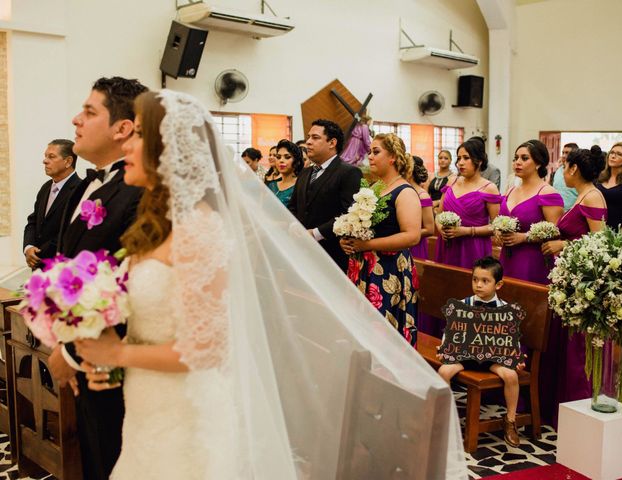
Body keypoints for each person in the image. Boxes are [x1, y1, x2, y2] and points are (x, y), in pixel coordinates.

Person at [70, 90, 468, 479]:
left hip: (186, 408)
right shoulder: (158, 224)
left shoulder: (201, 230)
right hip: (150, 402)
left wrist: (118, 353)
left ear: (167, 148)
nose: (127, 143)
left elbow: (206, 346)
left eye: (138, 134)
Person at [47, 77, 147, 480]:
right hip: (90, 358)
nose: (76, 120)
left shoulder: (138, 192)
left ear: (122, 129)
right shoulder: (87, 188)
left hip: (117, 371)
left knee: (115, 461)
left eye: (89, 112)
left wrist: (72, 354)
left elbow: (135, 290)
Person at [540, 146, 607, 425]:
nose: (561, 171)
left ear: (574, 169)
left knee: (576, 349)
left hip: (580, 284)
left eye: (565, 166)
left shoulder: (592, 197)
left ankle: (575, 406)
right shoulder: (583, 194)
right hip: (567, 279)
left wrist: (562, 243)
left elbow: (600, 242)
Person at [340, 133, 422, 346]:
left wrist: (367, 245)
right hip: (364, 266)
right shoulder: (375, 189)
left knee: (384, 336)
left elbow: (412, 236)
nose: (370, 157)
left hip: (389, 270)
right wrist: (349, 239)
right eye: (370, 152)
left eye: (376, 152)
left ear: (393, 157)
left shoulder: (404, 192)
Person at [437, 256, 525, 447]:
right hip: (466, 355)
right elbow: (451, 330)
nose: (478, 285)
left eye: (485, 281)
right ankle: (444, 418)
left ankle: (510, 420)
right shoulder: (463, 304)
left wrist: (515, 356)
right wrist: (445, 348)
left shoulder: (505, 310)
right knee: (444, 371)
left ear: (498, 284)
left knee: (511, 376)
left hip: (492, 358)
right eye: (475, 279)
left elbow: (511, 338)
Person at [288, 119, 362, 272]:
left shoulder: (348, 172)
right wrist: (293, 225)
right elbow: (294, 206)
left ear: (332, 142)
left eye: (315, 138)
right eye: (308, 137)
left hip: (331, 252)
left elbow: (348, 213)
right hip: (301, 250)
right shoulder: (305, 172)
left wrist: (316, 233)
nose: (308, 142)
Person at [496, 140, 563, 284]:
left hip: (533, 259)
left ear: (538, 163)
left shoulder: (548, 193)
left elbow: (556, 232)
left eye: (524, 158)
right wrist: (498, 232)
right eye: (516, 158)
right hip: (507, 257)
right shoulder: (511, 191)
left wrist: (524, 237)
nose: (517, 162)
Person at [435, 139, 501, 269]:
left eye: (466, 158)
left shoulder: (489, 188)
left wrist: (466, 231)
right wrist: (440, 228)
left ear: (479, 160)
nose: (461, 163)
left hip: (473, 246)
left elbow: (496, 226)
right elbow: (439, 214)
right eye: (459, 158)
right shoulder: (451, 182)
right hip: (447, 244)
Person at [23, 139, 81, 269]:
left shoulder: (80, 190)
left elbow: (69, 232)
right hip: (39, 266)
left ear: (68, 162)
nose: (45, 161)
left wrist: (39, 255)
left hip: (62, 267)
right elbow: (33, 221)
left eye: (51, 157)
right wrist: (29, 247)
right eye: (45, 156)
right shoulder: (46, 187)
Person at [408, 155, 435, 260]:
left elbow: (429, 229)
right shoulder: (402, 192)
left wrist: (406, 235)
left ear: (410, 171)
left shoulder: (422, 195)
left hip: (415, 245)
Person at [266, 139, 304, 206]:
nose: (281, 160)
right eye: (278, 157)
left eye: (287, 157)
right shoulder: (271, 185)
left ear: (297, 162)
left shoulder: (301, 186)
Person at [551, 142, 579, 211]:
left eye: (567, 153)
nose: (563, 155)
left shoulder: (579, 172)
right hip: (556, 211)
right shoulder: (558, 171)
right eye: (563, 152)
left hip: (573, 212)